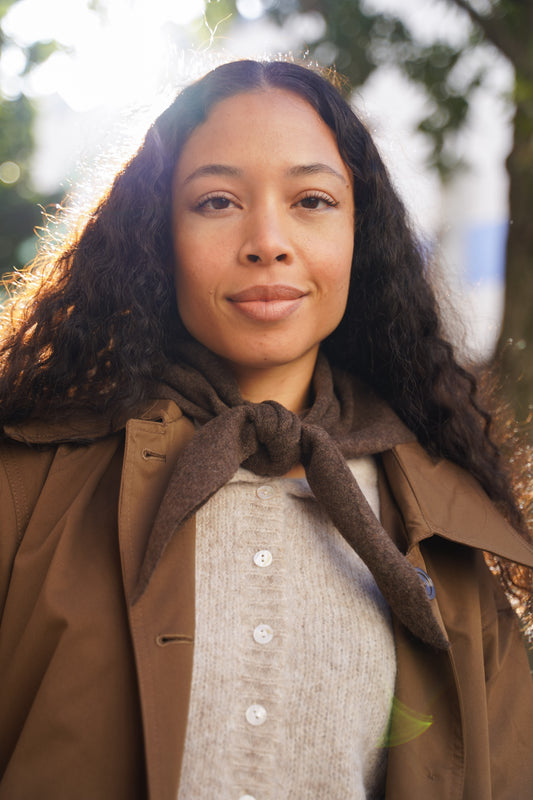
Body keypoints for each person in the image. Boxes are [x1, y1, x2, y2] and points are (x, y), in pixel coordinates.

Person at [0, 58, 532, 800]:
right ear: (159, 236)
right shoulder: (26, 489)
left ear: (360, 234)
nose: (268, 241)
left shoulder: (446, 527)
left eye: (312, 200)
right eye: (216, 201)